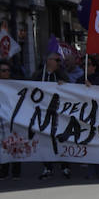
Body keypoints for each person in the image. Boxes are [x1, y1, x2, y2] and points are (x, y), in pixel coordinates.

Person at [36, 52, 70, 180]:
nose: (59, 63)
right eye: (57, 60)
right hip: (44, 112)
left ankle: (65, 166)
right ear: (49, 60)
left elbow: (71, 87)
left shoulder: (61, 74)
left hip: (59, 112)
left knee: (61, 139)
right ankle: (47, 166)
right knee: (45, 140)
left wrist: (64, 84)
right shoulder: (39, 74)